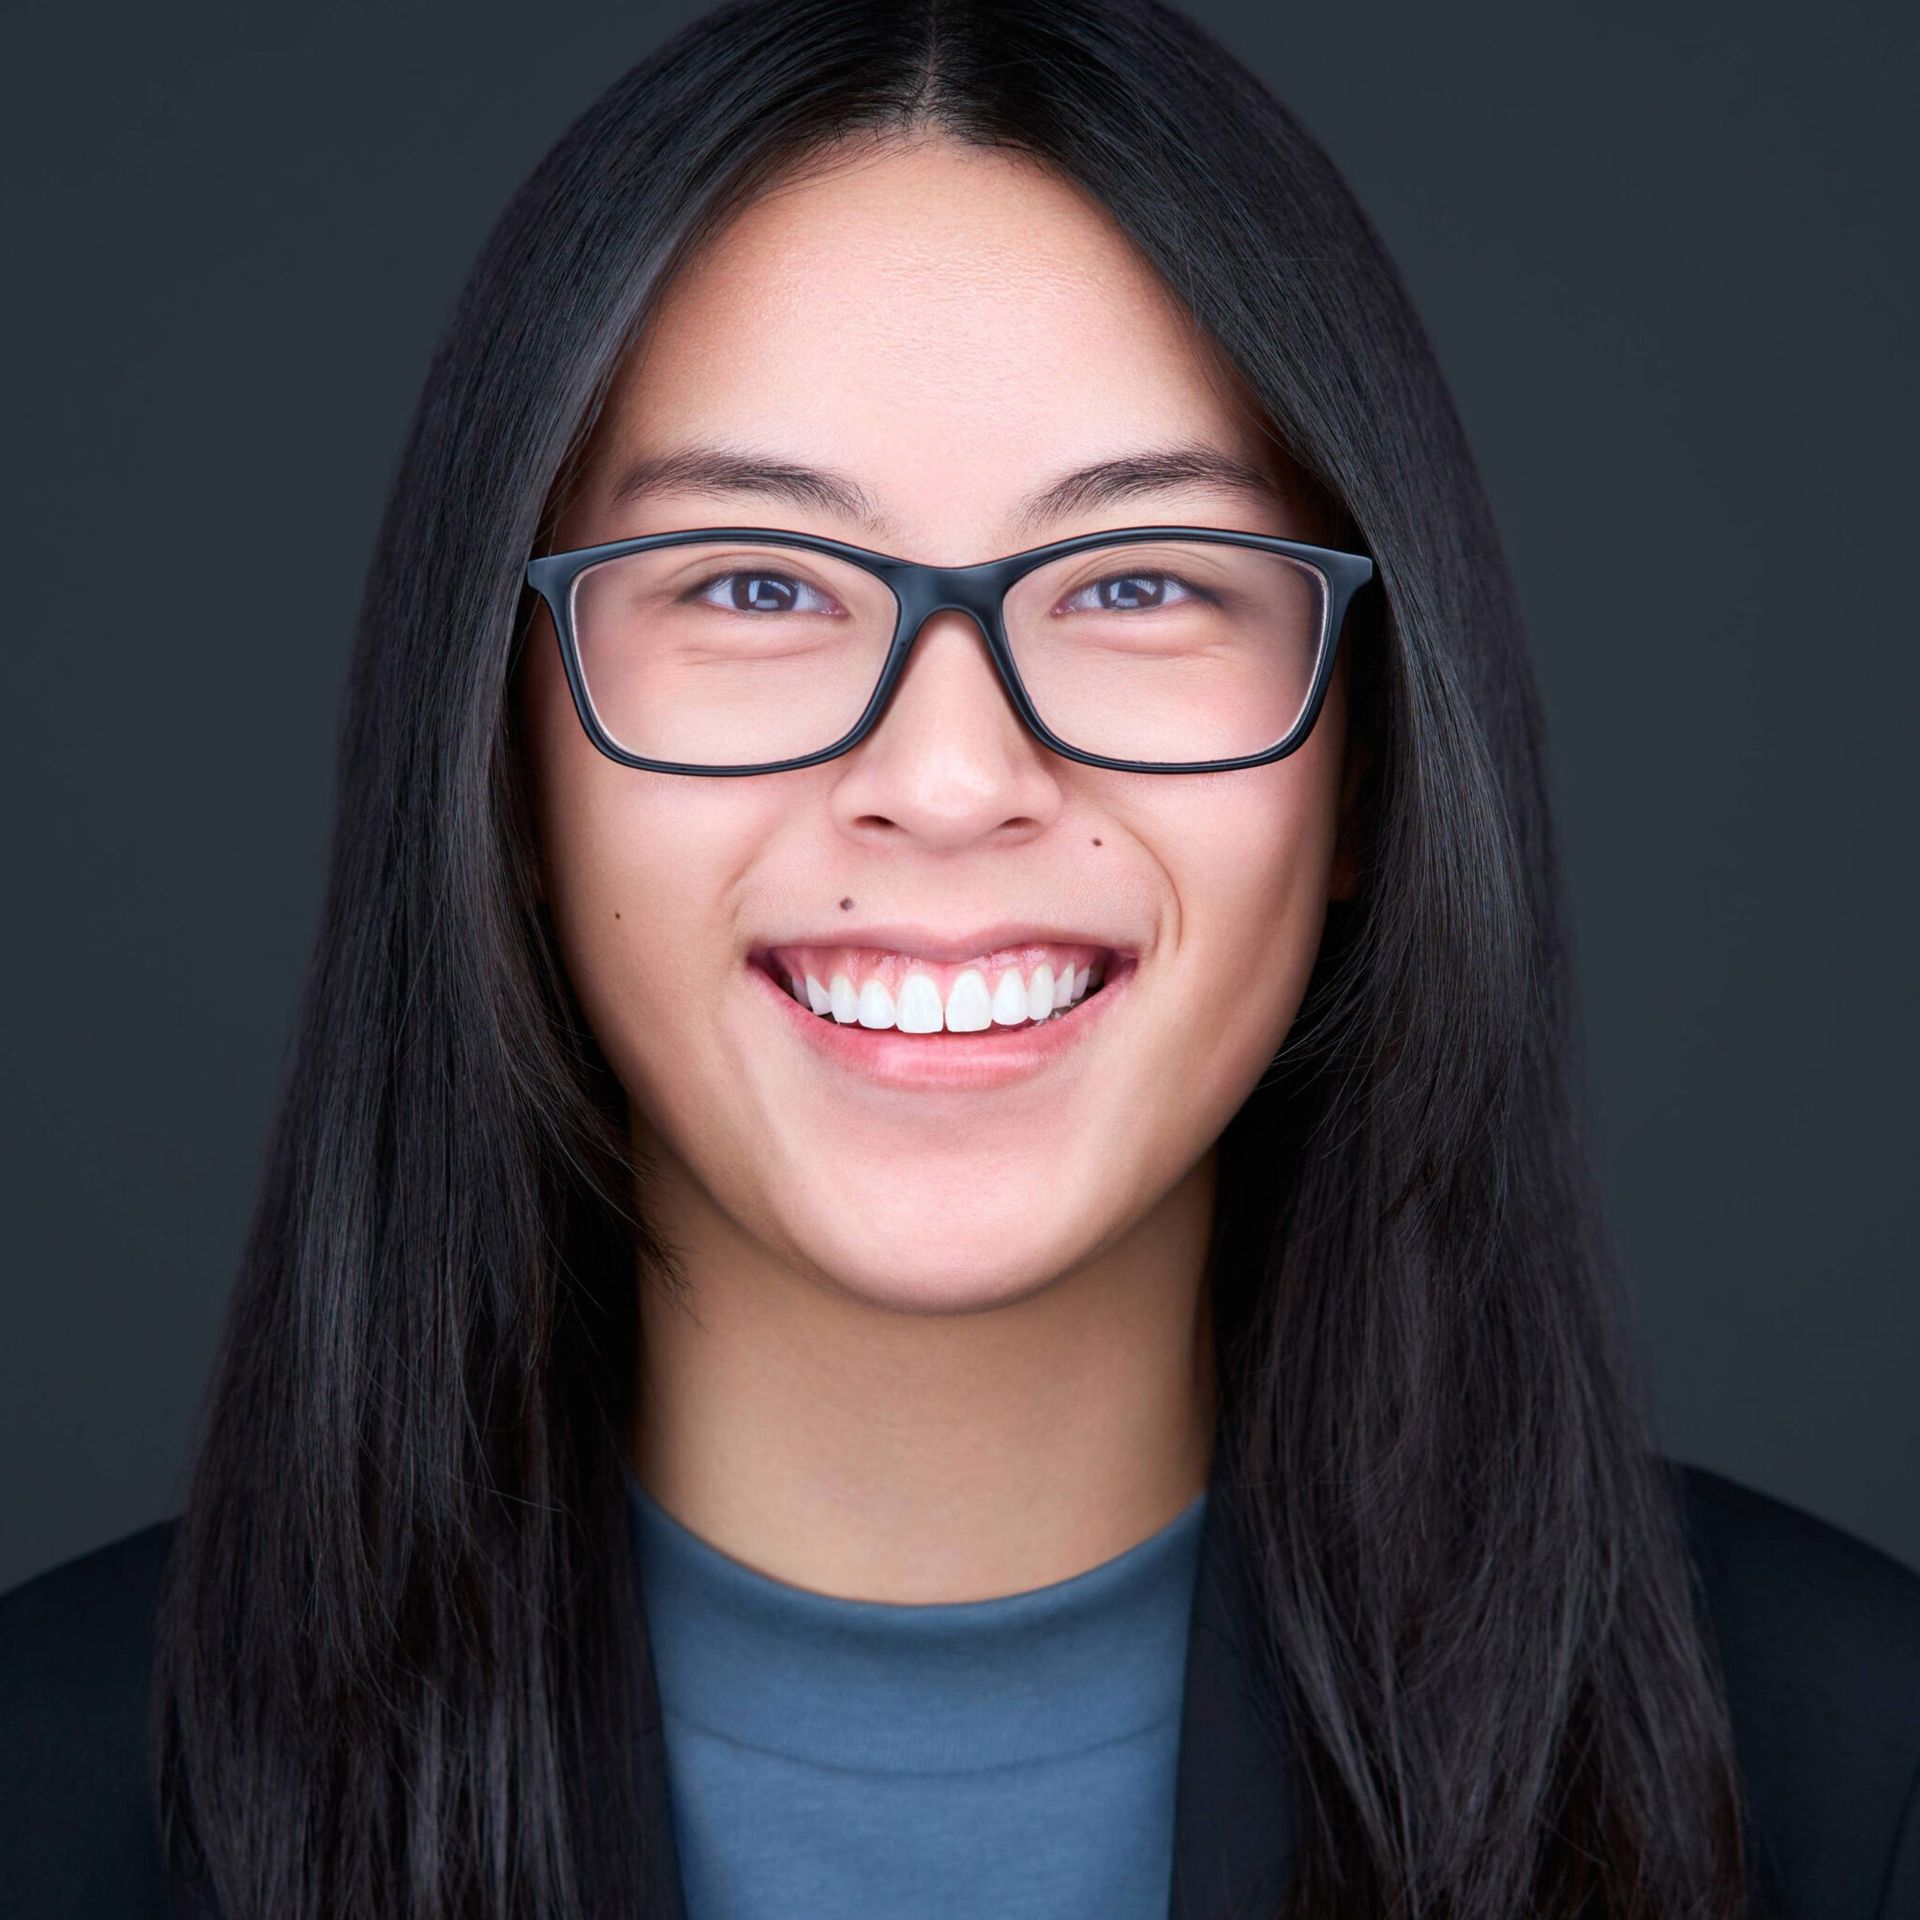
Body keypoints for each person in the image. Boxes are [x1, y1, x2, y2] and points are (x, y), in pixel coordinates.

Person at [3, 2, 1917, 1916]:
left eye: (1140, 582)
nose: (946, 777)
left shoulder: (1857, 1779)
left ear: (1372, 766)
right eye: (754, 583)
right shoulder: (50, 1792)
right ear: (505, 763)